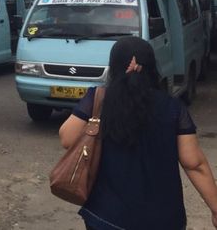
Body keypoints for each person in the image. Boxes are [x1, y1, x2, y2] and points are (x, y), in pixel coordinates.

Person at [59, 36, 217, 229]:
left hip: (107, 216)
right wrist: (215, 207)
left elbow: (67, 138)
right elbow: (194, 164)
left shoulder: (98, 99)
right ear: (152, 68)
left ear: (113, 67)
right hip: (163, 219)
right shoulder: (172, 107)